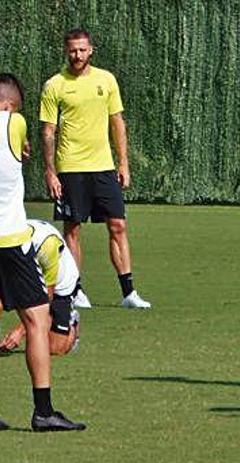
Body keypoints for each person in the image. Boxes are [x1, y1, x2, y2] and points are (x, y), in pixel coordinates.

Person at [40, 28, 150, 310]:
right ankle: (76, 291)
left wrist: (123, 162)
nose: (77, 55)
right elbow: (48, 131)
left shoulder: (107, 80)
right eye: (72, 50)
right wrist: (51, 171)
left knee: (118, 226)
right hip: (71, 168)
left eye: (82, 50)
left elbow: (117, 123)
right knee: (73, 230)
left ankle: (129, 293)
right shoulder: (55, 85)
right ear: (66, 51)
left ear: (91, 50)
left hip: (103, 167)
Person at [0, 73, 85, 431]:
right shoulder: (13, 122)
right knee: (36, 322)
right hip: (9, 238)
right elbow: (23, 148)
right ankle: (43, 411)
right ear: (8, 105)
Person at [0, 219, 82, 356]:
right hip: (25, 269)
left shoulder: (46, 246)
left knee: (56, 348)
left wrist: (20, 332)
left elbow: (45, 299)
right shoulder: (6, 238)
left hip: (59, 286)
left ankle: (71, 321)